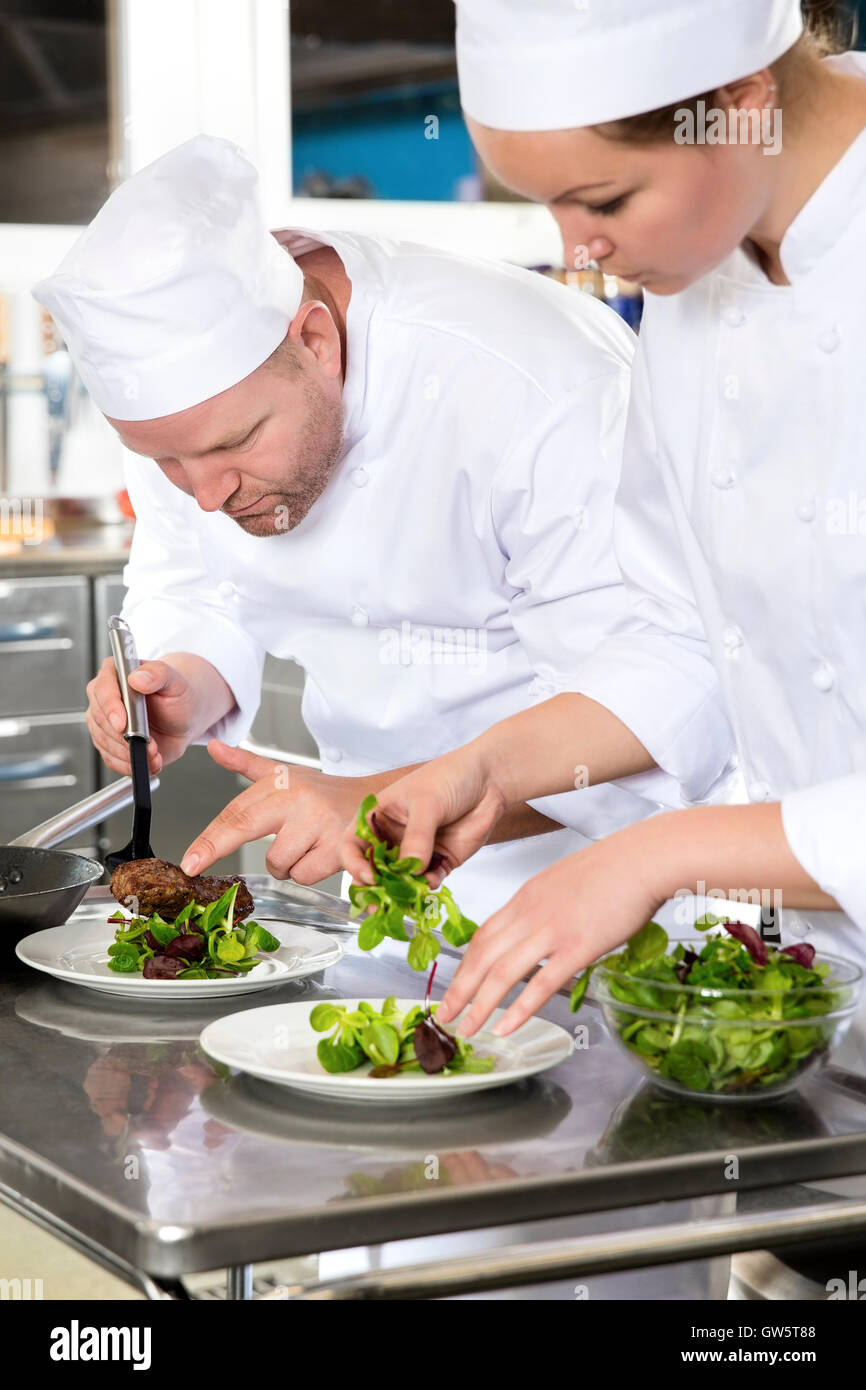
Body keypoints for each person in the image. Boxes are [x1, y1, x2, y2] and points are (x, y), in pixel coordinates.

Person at [341, 0, 866, 1036]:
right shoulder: (696, 275)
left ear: (738, 104)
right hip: (813, 1007)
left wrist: (653, 854)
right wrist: (483, 771)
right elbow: (688, 633)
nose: (579, 252)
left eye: (603, 199)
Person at [35, 133, 687, 924]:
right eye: (165, 462)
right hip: (379, 900)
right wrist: (184, 685)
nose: (203, 495)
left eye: (231, 446)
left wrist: (379, 802)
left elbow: (658, 689)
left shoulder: (534, 383)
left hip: (608, 904)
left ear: (313, 340)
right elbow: (199, 581)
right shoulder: (196, 408)